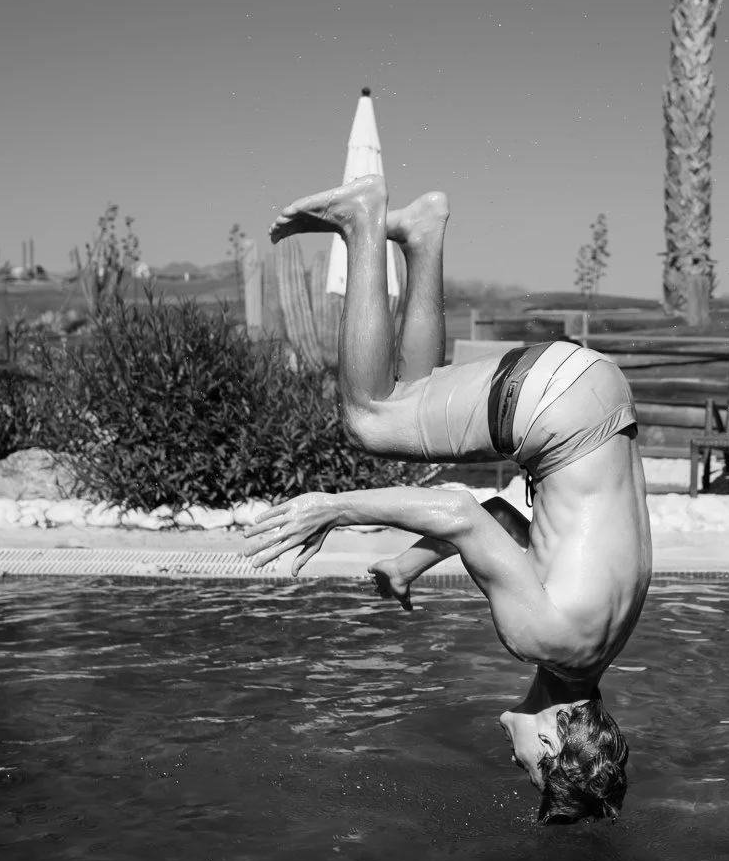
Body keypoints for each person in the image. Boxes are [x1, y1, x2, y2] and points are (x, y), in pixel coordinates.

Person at [243, 176, 651, 823]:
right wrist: (334, 507)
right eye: (527, 768)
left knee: (418, 416)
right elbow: (461, 510)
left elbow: (499, 521)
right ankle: (362, 220)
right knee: (371, 418)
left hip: (597, 391)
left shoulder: (596, 642)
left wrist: (408, 563)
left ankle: (424, 235)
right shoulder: (537, 636)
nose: (512, 759)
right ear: (550, 742)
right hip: (558, 411)